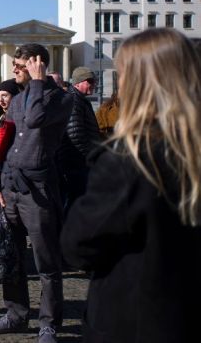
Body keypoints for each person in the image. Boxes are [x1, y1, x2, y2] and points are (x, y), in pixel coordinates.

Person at [61, 28, 201, 343]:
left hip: (135, 317)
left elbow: (77, 245)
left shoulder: (130, 160)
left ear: (139, 83)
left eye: (122, 74)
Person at [0, 44, 73, 343]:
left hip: (40, 191)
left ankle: (49, 323)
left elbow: (36, 118)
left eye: (19, 66)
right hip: (11, 187)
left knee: (46, 262)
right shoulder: (19, 100)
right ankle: (15, 315)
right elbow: (3, 144)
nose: (13, 71)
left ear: (37, 65)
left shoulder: (62, 99)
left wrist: (36, 81)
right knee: (12, 257)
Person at [56, 67, 100, 217]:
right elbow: (75, 134)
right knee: (74, 203)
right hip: (76, 162)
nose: (95, 84)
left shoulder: (78, 99)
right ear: (79, 82)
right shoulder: (74, 100)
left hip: (78, 161)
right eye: (91, 81)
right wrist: (92, 155)